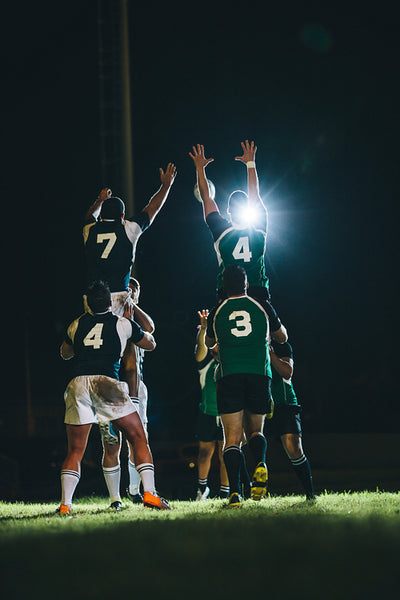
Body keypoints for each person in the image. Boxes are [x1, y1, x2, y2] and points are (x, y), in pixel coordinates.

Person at [58, 280, 172, 514]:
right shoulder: (121, 324)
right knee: (139, 437)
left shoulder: (77, 324)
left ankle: (65, 505)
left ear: (88, 304)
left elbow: (64, 353)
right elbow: (151, 343)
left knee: (75, 450)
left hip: (78, 385)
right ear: (111, 302)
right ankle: (150, 493)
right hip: (106, 384)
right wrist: (131, 327)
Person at [205, 265, 287, 508]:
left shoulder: (217, 311)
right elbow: (282, 337)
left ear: (224, 287)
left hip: (229, 375)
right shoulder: (261, 306)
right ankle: (260, 462)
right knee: (256, 431)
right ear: (246, 284)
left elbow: (210, 343)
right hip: (259, 374)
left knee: (231, 438)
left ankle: (234, 493)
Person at [83, 162, 176, 315]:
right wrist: (166, 186)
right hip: (117, 296)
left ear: (101, 215)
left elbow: (89, 216)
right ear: (122, 216)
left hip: (92, 298)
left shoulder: (89, 230)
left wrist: (100, 200)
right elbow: (153, 207)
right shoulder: (128, 228)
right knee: (123, 336)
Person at [189, 140, 270, 303]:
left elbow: (206, 198)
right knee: (268, 327)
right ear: (249, 208)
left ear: (228, 210)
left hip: (228, 294)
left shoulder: (221, 231)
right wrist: (250, 164)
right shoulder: (258, 228)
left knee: (219, 326)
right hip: (256, 290)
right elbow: (255, 195)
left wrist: (200, 168)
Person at [100, 277, 155, 508]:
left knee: (139, 439)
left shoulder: (135, 316)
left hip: (136, 387)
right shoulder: (110, 318)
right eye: (126, 289)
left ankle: (134, 489)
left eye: (134, 289)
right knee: (112, 443)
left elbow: (150, 328)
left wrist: (132, 303)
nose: (130, 292)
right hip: (112, 384)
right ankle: (115, 499)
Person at [265, 340, 316, 500]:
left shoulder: (281, 346)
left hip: (284, 404)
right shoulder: (249, 344)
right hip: (258, 404)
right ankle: (238, 494)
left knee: (293, 447)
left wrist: (270, 353)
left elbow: (287, 372)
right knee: (242, 442)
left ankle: (310, 494)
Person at [194, 309, 229, 500]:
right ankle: (202, 489)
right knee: (205, 452)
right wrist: (203, 329)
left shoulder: (229, 362)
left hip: (227, 414)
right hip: (207, 414)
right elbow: (200, 349)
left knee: (226, 454)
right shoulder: (205, 364)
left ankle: (225, 492)